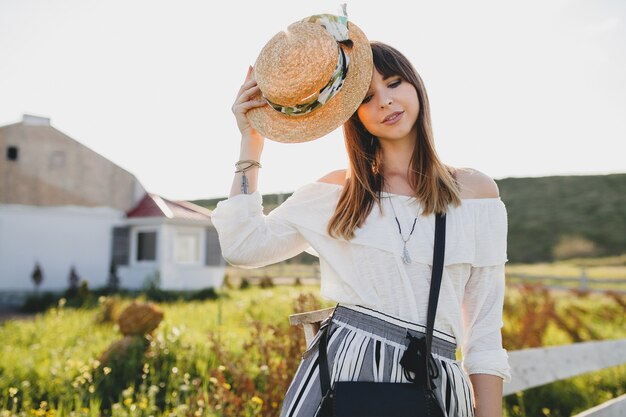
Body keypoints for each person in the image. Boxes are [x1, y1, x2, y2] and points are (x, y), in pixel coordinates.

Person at [212, 30, 511, 417]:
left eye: (394, 83)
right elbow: (243, 247)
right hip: (344, 374)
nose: (385, 100)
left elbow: (484, 334)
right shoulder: (335, 193)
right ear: (352, 113)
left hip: (435, 383)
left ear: (415, 85)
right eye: (366, 97)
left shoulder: (475, 194)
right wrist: (250, 144)